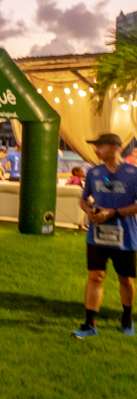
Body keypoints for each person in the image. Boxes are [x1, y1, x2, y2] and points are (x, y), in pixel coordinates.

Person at [72, 133, 137, 339]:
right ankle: (90, 324)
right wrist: (89, 211)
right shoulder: (94, 172)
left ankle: (126, 319)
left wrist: (113, 212)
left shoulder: (133, 173)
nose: (96, 150)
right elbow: (84, 200)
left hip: (125, 235)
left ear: (115, 148)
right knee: (95, 277)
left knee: (125, 278)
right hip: (97, 235)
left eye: (100, 146)